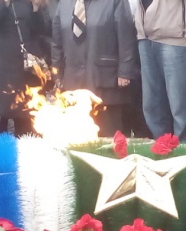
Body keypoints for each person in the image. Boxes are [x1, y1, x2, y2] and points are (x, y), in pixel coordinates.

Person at [51, 0, 137, 137]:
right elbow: (57, 42)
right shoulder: (64, 4)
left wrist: (125, 71)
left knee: (108, 137)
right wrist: (57, 72)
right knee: (78, 137)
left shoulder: (115, 2)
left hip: (105, 81)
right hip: (73, 82)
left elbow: (126, 37)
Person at [133, 0, 186, 143]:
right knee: (152, 104)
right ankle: (161, 146)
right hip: (145, 36)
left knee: (179, 103)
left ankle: (185, 148)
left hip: (174, 36)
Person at [0, 0, 47, 136]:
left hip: (26, 68)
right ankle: (1, 148)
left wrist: (36, 8)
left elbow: (42, 29)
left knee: (25, 114)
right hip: (2, 67)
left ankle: (25, 145)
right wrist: (5, 3)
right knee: (1, 114)